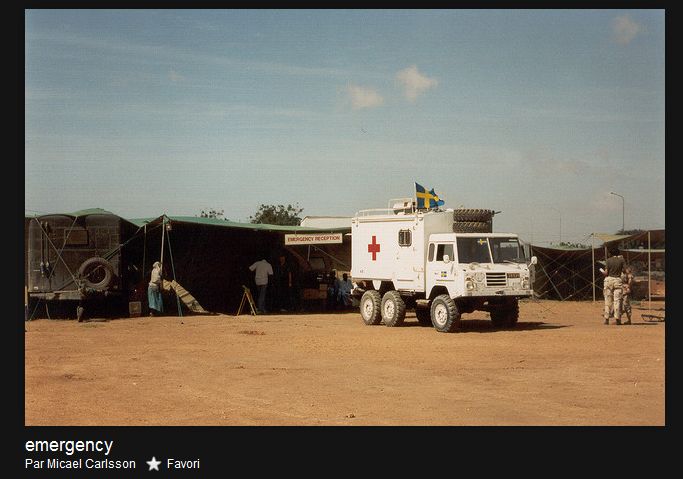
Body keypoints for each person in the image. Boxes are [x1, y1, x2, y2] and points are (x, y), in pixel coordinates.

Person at [600, 248, 626, 325]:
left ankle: (606, 318)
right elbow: (624, 271)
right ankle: (617, 319)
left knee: (608, 300)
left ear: (610, 253)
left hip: (608, 280)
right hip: (617, 280)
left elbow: (606, 273)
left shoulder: (608, 260)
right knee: (617, 300)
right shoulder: (621, 260)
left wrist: (602, 271)